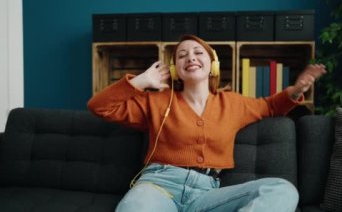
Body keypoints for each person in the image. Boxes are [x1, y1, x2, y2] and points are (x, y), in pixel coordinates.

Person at [87, 34, 326, 212]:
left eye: (198, 52)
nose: (190, 57)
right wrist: (141, 80)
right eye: (181, 55)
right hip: (158, 186)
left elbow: (272, 106)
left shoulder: (233, 103)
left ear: (213, 64)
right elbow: (100, 107)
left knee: (281, 189)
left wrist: (296, 90)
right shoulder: (157, 102)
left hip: (207, 195)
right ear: (175, 70)